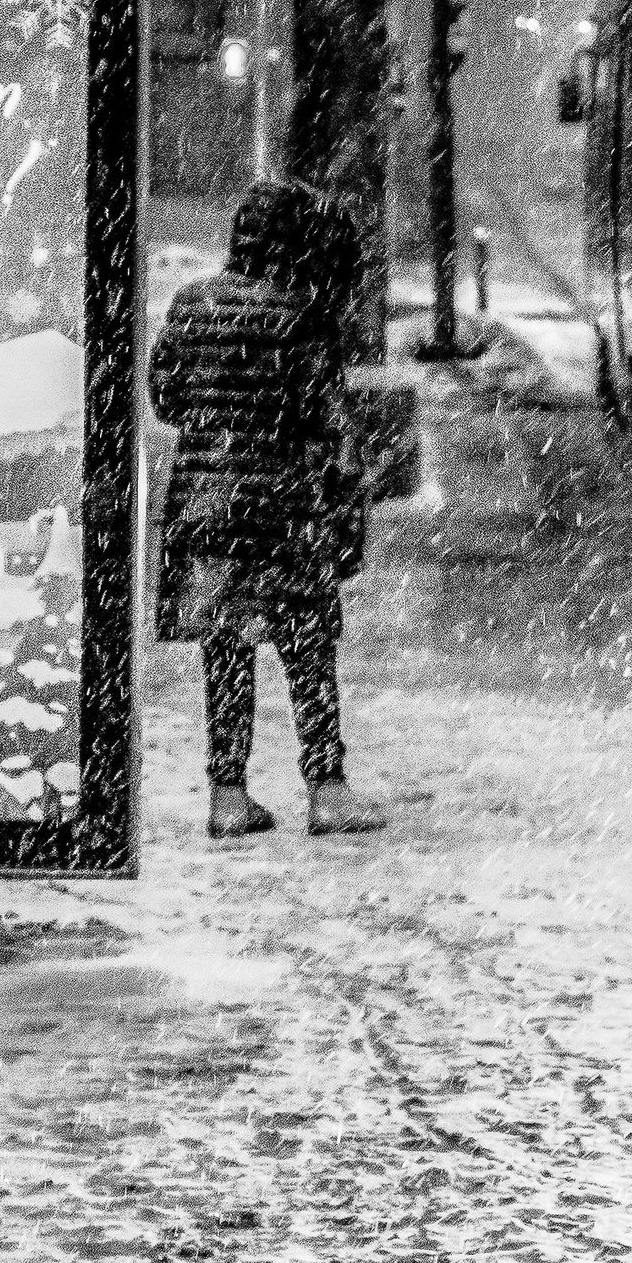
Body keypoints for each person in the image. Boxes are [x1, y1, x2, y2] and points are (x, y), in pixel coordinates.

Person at [149, 179, 384, 841]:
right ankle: (327, 789)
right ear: (291, 242)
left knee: (225, 645)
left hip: (203, 504)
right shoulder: (300, 314)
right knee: (306, 645)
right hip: (283, 505)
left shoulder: (190, 304)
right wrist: (343, 509)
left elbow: (165, 398)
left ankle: (228, 795)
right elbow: (330, 424)